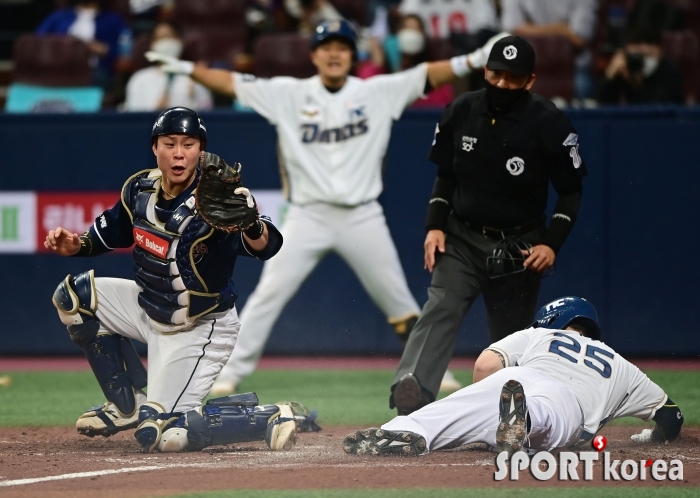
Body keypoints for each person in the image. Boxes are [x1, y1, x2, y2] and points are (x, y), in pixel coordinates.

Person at [145, 21, 509, 397]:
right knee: (268, 296)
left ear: (353, 55)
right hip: (307, 215)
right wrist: (189, 70)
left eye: (342, 47)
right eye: (326, 46)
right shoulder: (289, 94)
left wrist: (476, 59)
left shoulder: (378, 92)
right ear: (314, 54)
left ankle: (431, 369)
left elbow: (426, 75)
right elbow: (232, 83)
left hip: (362, 214)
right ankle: (229, 372)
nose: (334, 53)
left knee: (398, 299)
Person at [43, 107, 302, 453]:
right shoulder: (140, 188)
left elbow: (267, 246)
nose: (179, 153)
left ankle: (267, 416)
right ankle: (127, 405)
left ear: (201, 149)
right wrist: (78, 245)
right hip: (150, 307)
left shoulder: (214, 200)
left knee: (167, 435)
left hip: (199, 327)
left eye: (188, 144)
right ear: (155, 147)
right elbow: (110, 233)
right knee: (74, 297)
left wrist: (252, 224)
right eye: (170, 143)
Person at [390, 35, 588, 416]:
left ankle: (515, 413)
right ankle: (410, 394)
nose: (501, 83)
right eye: (495, 74)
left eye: (512, 78)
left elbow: (571, 192)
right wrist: (435, 225)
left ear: (529, 81)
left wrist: (551, 244)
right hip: (461, 237)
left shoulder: (549, 123)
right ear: (485, 71)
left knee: (510, 340)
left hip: (519, 247)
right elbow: (446, 176)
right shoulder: (460, 110)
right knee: (440, 306)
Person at [343, 297, 684, 457]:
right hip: (566, 400)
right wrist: (651, 438)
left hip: (520, 375)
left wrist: (486, 408)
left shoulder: (539, 336)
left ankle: (403, 430)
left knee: (456, 407)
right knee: (546, 414)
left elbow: (487, 366)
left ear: (552, 321)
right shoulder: (621, 365)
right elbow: (671, 417)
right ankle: (524, 420)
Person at [500, 0, 598, 100]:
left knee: (583, 88)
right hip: (528, 67)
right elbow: (513, 32)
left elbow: (579, 39)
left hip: (573, 69)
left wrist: (530, 29)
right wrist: (562, 29)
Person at [356, 14, 454, 108]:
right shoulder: (384, 70)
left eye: (416, 29)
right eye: (406, 28)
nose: (411, 33)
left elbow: (442, 102)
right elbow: (364, 92)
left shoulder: (432, 73)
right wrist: (377, 64)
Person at [36, 0, 131, 89]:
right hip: (56, 67)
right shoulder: (58, 17)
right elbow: (36, 43)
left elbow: (125, 53)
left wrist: (103, 49)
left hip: (94, 70)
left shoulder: (113, 20)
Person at [123, 21, 213, 111]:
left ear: (180, 41)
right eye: (161, 38)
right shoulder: (139, 79)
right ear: (152, 44)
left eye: (170, 36)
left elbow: (208, 112)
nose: (166, 42)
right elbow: (133, 118)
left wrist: (195, 91)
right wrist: (156, 111)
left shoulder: (195, 76)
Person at [597, 27, 684, 105]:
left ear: (660, 50)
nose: (644, 49)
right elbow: (598, 105)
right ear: (626, 48)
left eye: (650, 43)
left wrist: (637, 85)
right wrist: (610, 75)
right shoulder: (622, 67)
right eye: (637, 43)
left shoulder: (670, 71)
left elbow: (660, 111)